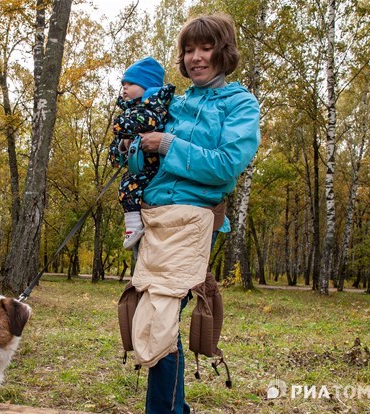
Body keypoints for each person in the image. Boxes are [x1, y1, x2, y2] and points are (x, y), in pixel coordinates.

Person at [130, 14, 261, 413]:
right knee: (152, 322)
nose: (196, 58)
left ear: (223, 52)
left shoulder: (240, 103)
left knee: (162, 323)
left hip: (191, 222)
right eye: (189, 50)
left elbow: (225, 165)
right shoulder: (175, 101)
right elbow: (141, 163)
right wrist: (135, 144)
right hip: (153, 218)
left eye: (205, 49)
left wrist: (168, 143)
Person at [108, 57, 176, 250]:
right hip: (138, 171)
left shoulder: (154, 107)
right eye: (123, 84)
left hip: (154, 175)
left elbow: (146, 122)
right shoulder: (131, 112)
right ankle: (132, 227)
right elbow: (114, 158)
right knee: (126, 190)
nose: (125, 88)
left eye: (131, 83)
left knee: (130, 188)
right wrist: (124, 144)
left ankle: (134, 227)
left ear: (147, 86)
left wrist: (121, 125)